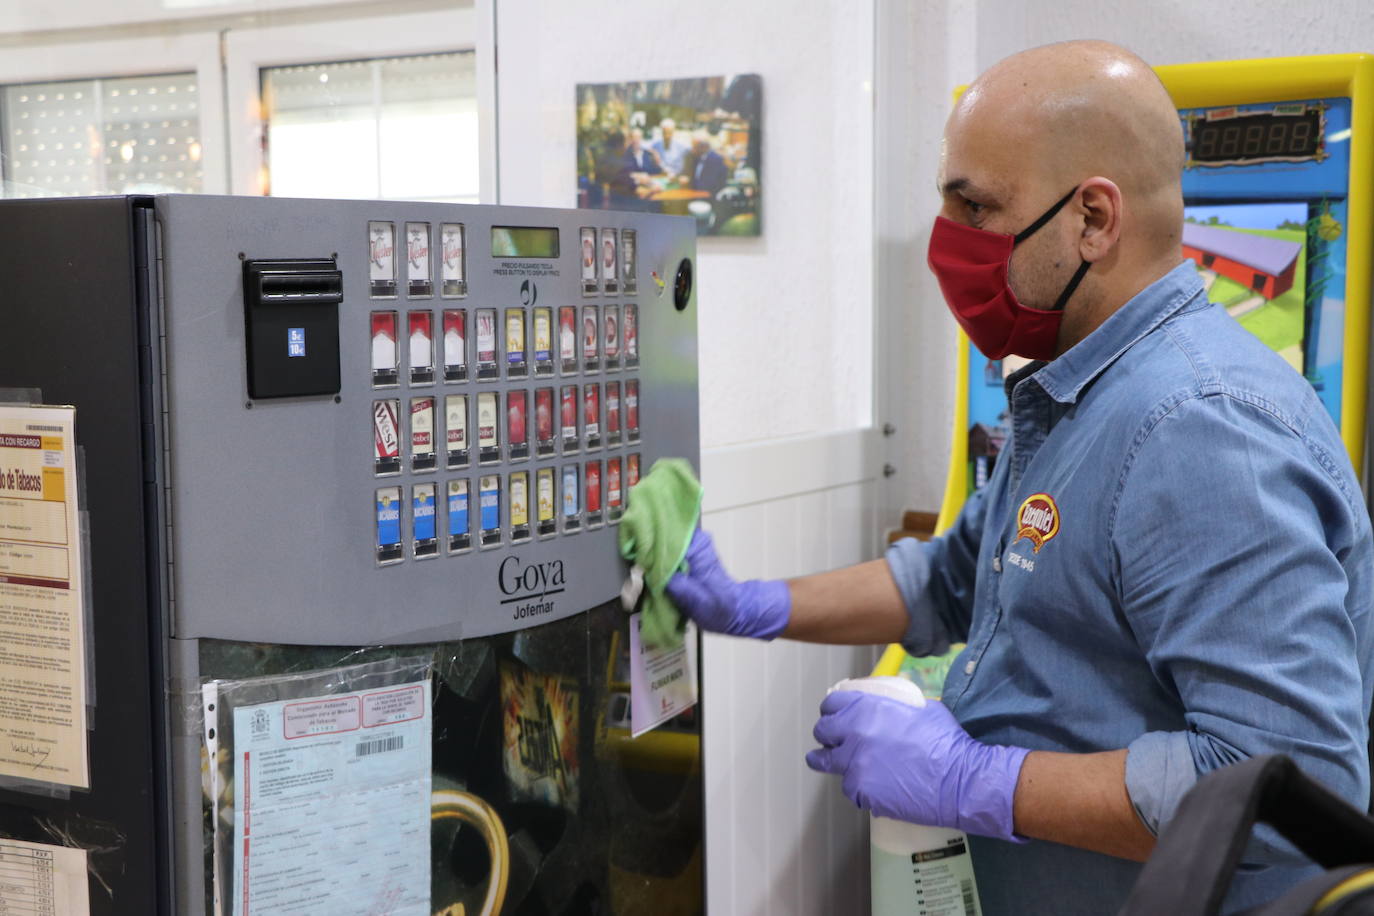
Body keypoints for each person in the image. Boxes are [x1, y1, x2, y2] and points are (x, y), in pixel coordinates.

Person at [665, 40, 1374, 915]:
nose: (948, 245)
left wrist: (977, 781)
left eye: (976, 207)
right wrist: (754, 603)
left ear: (1093, 221)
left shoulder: (1198, 426)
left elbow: (1282, 788)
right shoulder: (1076, 387)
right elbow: (961, 576)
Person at [609, 128, 662, 211]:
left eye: (638, 138)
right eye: (632, 138)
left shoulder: (647, 153)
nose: (635, 140)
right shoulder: (622, 159)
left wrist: (657, 161)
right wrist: (653, 189)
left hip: (637, 192)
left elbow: (654, 171)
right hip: (627, 204)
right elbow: (635, 189)